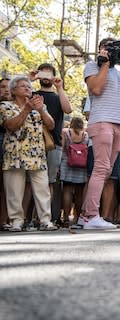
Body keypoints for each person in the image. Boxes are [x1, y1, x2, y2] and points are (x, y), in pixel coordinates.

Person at [79, 37, 120, 229]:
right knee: (101, 169)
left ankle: (85, 215)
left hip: (119, 126)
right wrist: (105, 64)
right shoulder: (92, 67)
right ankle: (91, 216)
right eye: (108, 47)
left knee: (106, 171)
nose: (112, 51)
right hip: (101, 122)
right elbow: (96, 89)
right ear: (100, 49)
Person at [0, 76, 57, 231]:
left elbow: (51, 125)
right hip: (14, 153)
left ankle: (45, 220)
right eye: (23, 86)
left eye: (29, 86)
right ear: (13, 90)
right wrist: (26, 109)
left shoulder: (39, 105)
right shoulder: (5, 106)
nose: (27, 88)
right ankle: (16, 221)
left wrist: (40, 110)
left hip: (37, 153)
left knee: (42, 189)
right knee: (14, 190)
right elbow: (11, 125)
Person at [30, 63, 73, 224]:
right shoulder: (32, 94)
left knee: (50, 182)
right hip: (32, 143)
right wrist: (30, 80)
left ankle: (46, 218)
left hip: (54, 143)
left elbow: (68, 110)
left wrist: (59, 87)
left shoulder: (57, 96)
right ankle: (28, 218)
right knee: (29, 182)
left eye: (49, 74)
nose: (46, 77)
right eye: (43, 73)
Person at [60, 117, 88, 226]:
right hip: (81, 165)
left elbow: (62, 149)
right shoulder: (85, 135)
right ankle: (77, 218)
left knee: (67, 190)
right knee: (79, 193)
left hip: (67, 163)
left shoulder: (66, 132)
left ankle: (66, 218)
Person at [0, 78, 10, 230]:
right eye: (2, 87)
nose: (6, 90)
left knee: (5, 186)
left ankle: (3, 220)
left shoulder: (20, 105)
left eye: (9, 87)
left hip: (9, 145)